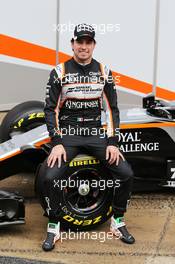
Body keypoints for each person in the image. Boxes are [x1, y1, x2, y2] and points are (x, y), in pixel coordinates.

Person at [36, 23, 135, 251]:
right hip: (68, 134)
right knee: (50, 177)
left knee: (126, 173)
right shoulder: (59, 71)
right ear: (72, 44)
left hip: (94, 133)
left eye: (87, 42)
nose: (83, 46)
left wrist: (112, 142)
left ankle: (117, 221)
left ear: (93, 45)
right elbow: (51, 110)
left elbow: (112, 110)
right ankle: (54, 225)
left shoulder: (104, 72)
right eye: (79, 42)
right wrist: (57, 142)